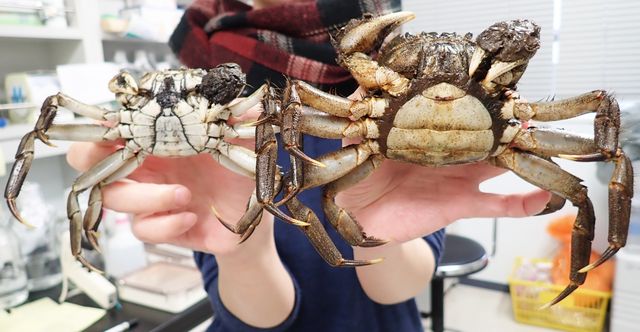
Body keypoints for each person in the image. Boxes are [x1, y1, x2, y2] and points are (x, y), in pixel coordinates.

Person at [67, 0, 552, 331]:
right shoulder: (205, 91)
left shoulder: (402, 72)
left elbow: (400, 285)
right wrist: (240, 250)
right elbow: (257, 315)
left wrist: (381, 227)